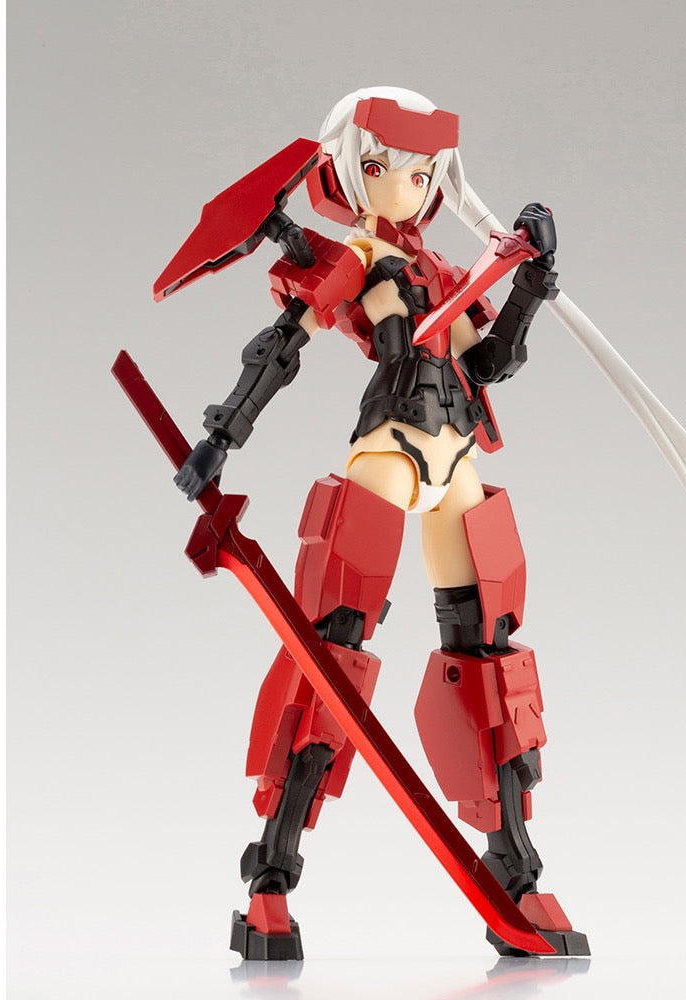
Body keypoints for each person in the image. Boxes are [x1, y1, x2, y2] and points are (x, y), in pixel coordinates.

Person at [169, 86, 588, 960]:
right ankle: (270, 883)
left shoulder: (440, 270)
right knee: (331, 653)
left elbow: (490, 361)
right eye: (385, 165)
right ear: (353, 170)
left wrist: (531, 285)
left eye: (423, 170)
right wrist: (219, 437)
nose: (406, 182)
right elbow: (280, 346)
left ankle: (514, 870)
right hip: (391, 450)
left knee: (494, 655)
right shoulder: (357, 258)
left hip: (455, 457)